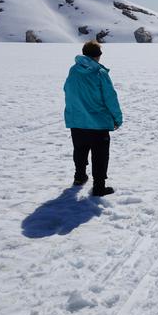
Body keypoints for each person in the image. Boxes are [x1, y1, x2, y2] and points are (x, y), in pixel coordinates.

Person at [63, 40, 123, 197]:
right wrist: (117, 119)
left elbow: (68, 91)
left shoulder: (73, 70)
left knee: (80, 150)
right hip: (98, 123)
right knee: (100, 155)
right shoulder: (100, 73)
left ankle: (79, 177)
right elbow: (110, 98)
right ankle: (99, 187)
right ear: (97, 55)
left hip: (77, 121)